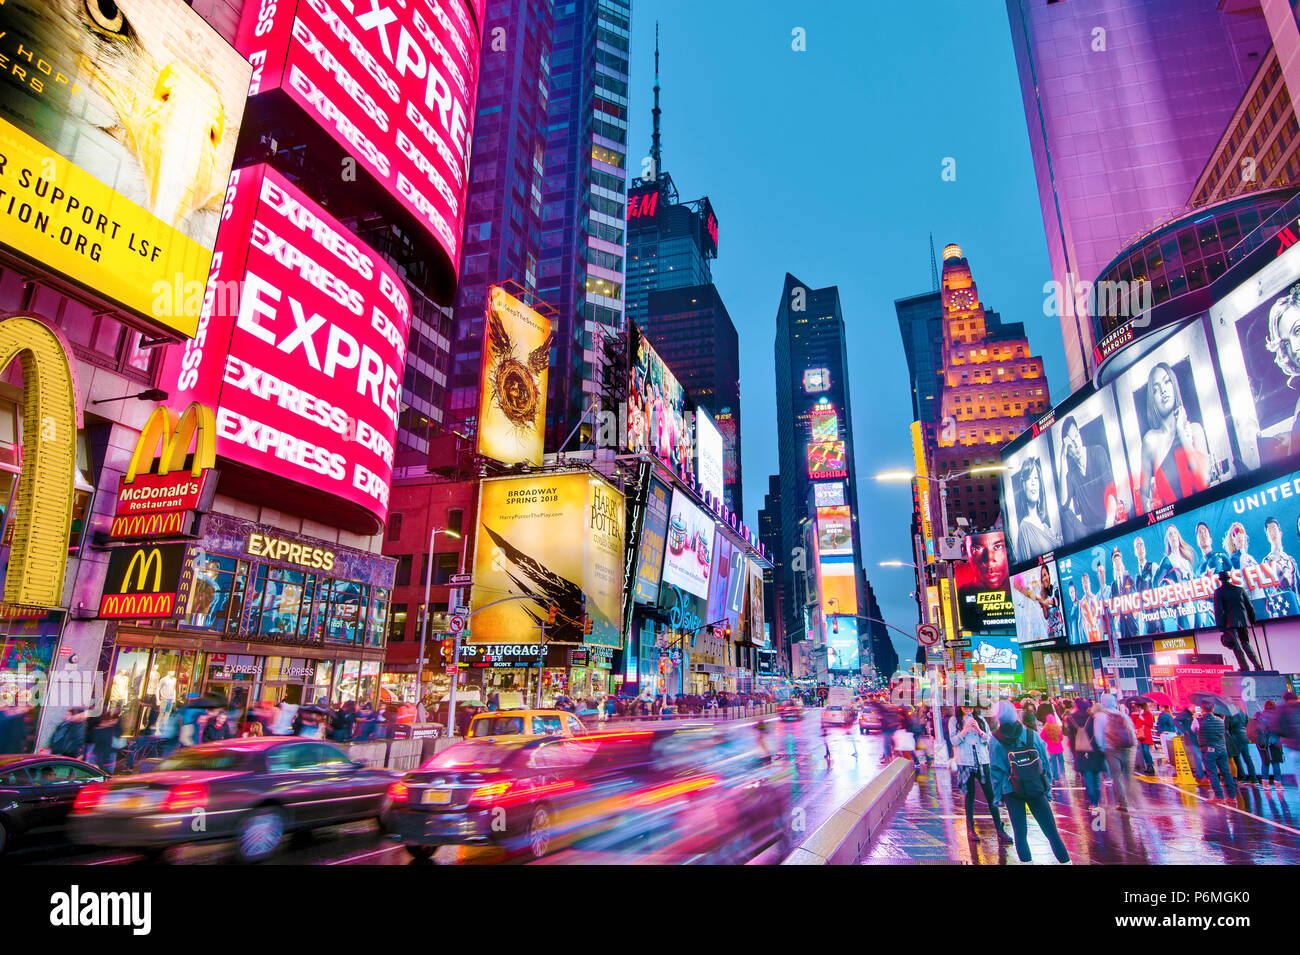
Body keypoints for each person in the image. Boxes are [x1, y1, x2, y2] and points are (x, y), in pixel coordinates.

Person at [989, 700, 1071, 864]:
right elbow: (1045, 763)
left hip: (1011, 790)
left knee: (1020, 834)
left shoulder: (995, 740)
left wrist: (998, 797)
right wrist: (1046, 789)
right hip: (1035, 786)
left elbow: (996, 771)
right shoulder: (1031, 735)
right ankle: (1066, 862)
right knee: (1052, 833)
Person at [1138, 362, 1211, 511]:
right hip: (1173, 527)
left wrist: (1182, 434)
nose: (1163, 391)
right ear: (1152, 400)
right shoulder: (1150, 441)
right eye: (1156, 390)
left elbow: (1204, 480)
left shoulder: (1195, 431)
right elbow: (1144, 494)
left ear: (1174, 385)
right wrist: (1154, 524)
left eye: (1167, 381)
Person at [948, 705, 1012, 844]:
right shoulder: (955, 721)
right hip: (965, 762)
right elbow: (954, 740)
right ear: (960, 707)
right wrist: (964, 730)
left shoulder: (981, 720)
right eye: (965, 707)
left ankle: (1000, 830)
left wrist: (978, 730)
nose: (968, 710)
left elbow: (989, 740)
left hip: (982, 761)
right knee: (969, 796)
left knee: (991, 796)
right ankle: (970, 829)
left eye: (970, 707)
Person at [1057, 415, 1122, 544]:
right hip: (1089, 531)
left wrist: (1106, 532)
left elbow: (1111, 495)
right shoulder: (1071, 473)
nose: (1076, 444)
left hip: (1108, 523)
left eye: (1076, 436)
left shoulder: (1098, 452)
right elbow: (1063, 503)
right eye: (1071, 443)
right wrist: (1062, 459)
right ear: (1067, 451)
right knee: (1065, 514)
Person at [1011, 456, 1061, 563]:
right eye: (1029, 478)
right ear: (1023, 485)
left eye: (1036, 478)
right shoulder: (1024, 529)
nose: (1033, 483)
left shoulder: (1044, 524)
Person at [1092, 693, 1138, 812]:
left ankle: (1123, 802)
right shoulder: (1123, 714)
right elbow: (1132, 730)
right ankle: (1134, 800)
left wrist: (1102, 748)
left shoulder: (1100, 716)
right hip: (1126, 747)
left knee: (1116, 776)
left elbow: (1098, 735)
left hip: (1111, 748)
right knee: (1128, 776)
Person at [1212, 570, 1264, 671]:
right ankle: (1258, 666)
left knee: (1237, 646)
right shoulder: (1239, 590)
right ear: (1228, 578)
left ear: (1221, 580)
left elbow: (1218, 610)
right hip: (1243, 621)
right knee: (1245, 643)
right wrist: (1252, 620)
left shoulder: (1219, 592)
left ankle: (1244, 667)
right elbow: (1249, 607)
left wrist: (1220, 626)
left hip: (1229, 622)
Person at [1197, 701, 1238, 805]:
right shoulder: (1220, 720)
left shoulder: (1198, 721)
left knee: (1212, 773)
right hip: (1222, 750)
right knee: (1226, 773)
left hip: (1208, 750)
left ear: (1202, 710)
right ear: (1213, 709)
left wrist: (1196, 718)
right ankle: (1232, 796)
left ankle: (1219, 796)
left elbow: (1193, 730)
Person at [1173, 705, 1208, 784]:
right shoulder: (1184, 714)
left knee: (1200, 756)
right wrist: (1184, 730)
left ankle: (1199, 776)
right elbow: (1175, 721)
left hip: (1197, 738)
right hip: (1190, 739)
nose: (1195, 708)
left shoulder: (1193, 715)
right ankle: (1200, 776)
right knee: (1198, 756)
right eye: (1194, 706)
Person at [1256, 700, 1286, 792]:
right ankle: (1278, 784)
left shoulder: (1260, 715)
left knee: (1265, 762)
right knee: (1275, 763)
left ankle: (1265, 783)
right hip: (1274, 742)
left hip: (1262, 743)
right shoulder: (1277, 716)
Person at [1225, 707, 1258, 785]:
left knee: (1237, 758)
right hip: (1244, 736)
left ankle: (1242, 778)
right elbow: (1247, 724)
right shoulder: (1243, 712)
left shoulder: (1229, 713)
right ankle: (1254, 778)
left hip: (1235, 737)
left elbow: (1226, 727)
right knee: (1247, 758)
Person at [1040, 712, 1066, 781]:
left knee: (1053, 763)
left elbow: (1042, 737)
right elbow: (1061, 738)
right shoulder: (1058, 728)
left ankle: (1056, 777)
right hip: (1059, 748)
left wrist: (1047, 740)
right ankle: (1062, 775)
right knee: (1061, 762)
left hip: (1051, 749)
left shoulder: (1045, 729)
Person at [1131, 702, 1156, 774]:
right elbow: (1134, 723)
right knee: (1143, 751)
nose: (1137, 708)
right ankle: (1148, 766)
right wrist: (1134, 715)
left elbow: (1150, 724)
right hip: (1140, 734)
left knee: (1146, 750)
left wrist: (1143, 719)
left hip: (1146, 735)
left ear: (1141, 707)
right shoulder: (1137, 714)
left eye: (1137, 707)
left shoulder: (1147, 714)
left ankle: (1150, 765)